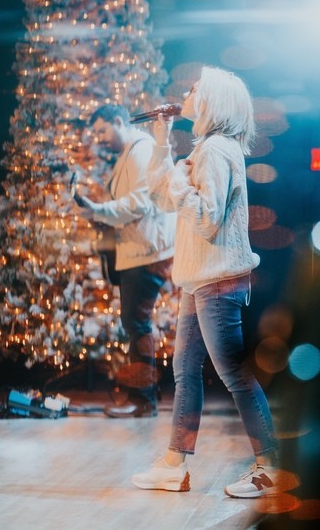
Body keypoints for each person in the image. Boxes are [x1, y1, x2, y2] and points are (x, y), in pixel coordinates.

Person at [131, 66, 280, 498]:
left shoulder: (216, 149)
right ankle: (173, 464)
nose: (188, 92)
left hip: (216, 280)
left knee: (233, 373)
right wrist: (162, 141)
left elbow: (207, 219)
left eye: (196, 87)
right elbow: (164, 196)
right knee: (185, 370)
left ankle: (271, 468)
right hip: (200, 279)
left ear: (214, 100)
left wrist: (180, 181)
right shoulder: (208, 148)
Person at [74, 104, 175, 418]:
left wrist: (98, 210)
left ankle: (143, 400)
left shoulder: (140, 151)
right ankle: (142, 398)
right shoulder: (130, 153)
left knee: (136, 324)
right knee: (135, 324)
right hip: (139, 251)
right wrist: (98, 214)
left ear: (118, 121)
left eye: (102, 130)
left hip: (146, 253)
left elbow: (139, 203)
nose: (100, 138)